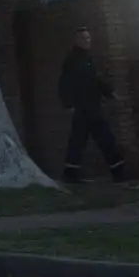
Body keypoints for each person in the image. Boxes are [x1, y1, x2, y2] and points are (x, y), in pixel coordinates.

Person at [58, 26, 125, 183]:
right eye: (83, 38)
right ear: (77, 40)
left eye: (88, 38)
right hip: (83, 107)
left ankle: (116, 171)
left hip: (92, 105)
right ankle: (72, 173)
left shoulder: (88, 59)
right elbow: (64, 84)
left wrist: (110, 92)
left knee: (94, 139)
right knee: (86, 140)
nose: (87, 41)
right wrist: (68, 104)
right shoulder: (72, 61)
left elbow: (95, 81)